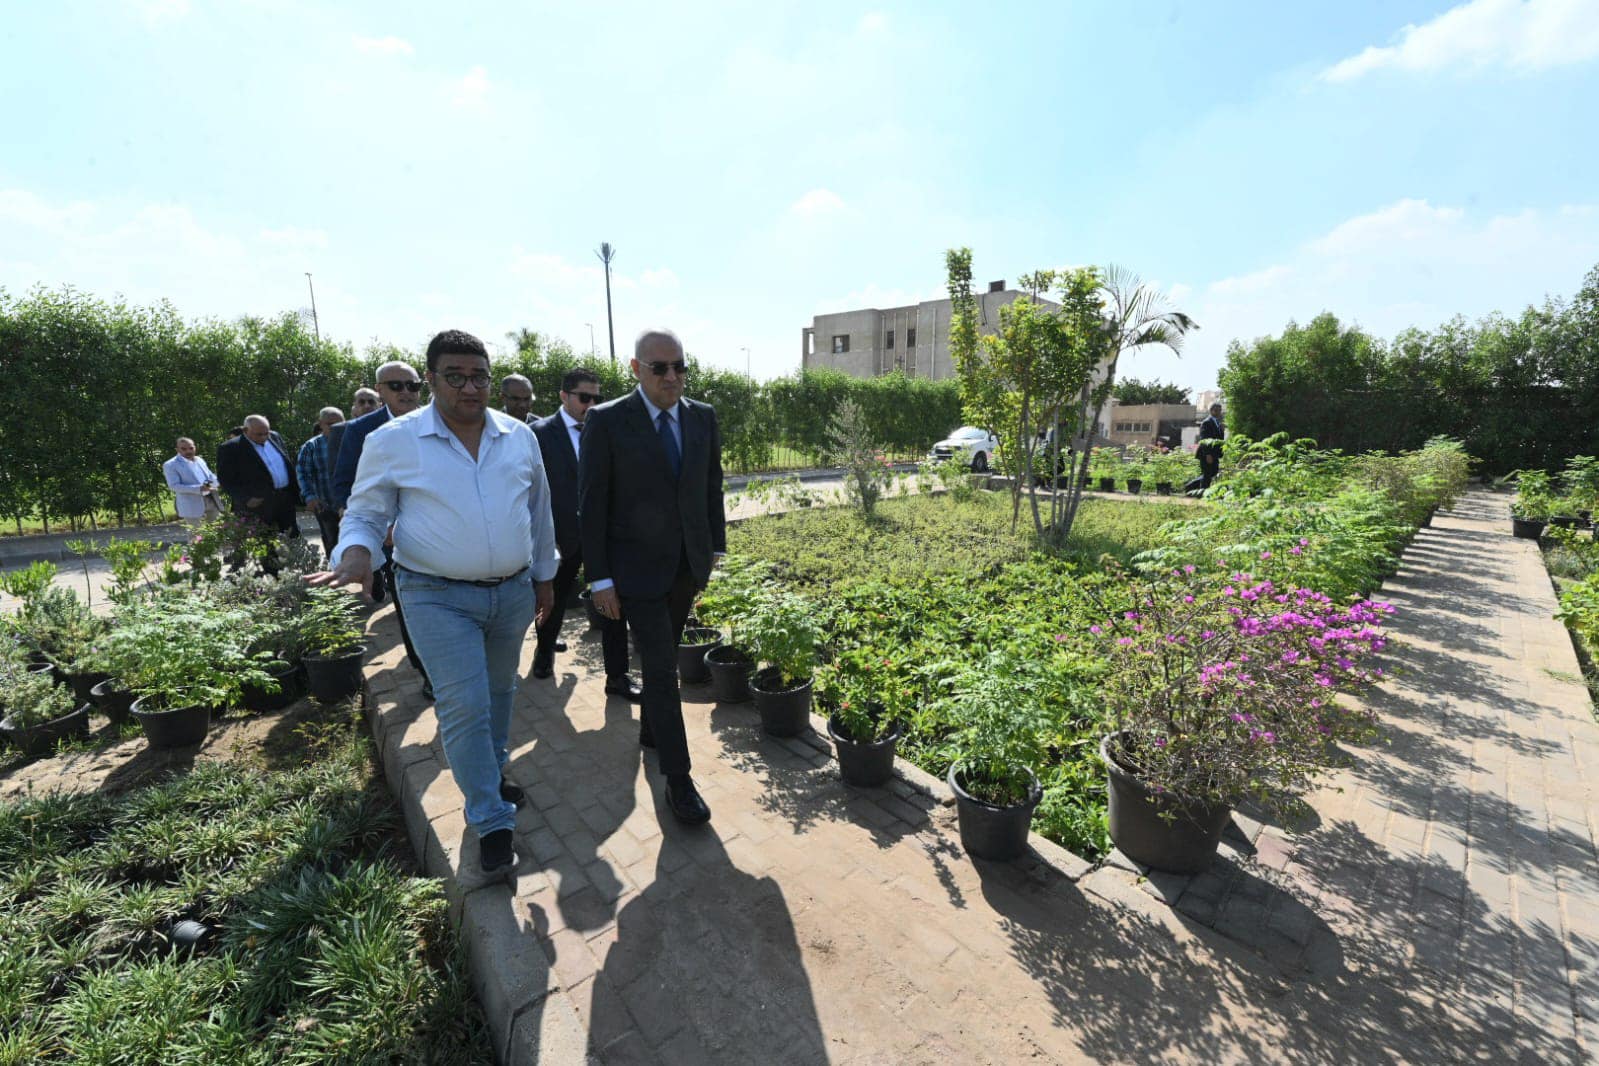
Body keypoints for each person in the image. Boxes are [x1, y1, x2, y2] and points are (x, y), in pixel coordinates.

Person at [309, 329, 558, 887]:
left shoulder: (518, 437)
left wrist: (545, 576)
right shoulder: (395, 441)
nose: (470, 387)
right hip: (435, 595)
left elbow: (539, 511)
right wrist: (356, 553)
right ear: (431, 379)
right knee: (465, 703)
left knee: (500, 691)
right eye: (456, 376)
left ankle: (489, 773)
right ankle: (490, 819)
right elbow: (366, 512)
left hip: (512, 592)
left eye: (479, 376)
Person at [580, 329, 726, 826]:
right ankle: (678, 780)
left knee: (664, 658)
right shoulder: (607, 420)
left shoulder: (702, 417)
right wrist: (600, 578)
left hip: (686, 566)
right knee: (663, 669)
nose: (671, 376)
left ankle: (651, 731)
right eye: (659, 367)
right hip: (634, 571)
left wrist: (715, 547)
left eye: (679, 366)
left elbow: (710, 486)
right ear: (636, 368)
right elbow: (592, 504)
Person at [530, 369, 638, 697]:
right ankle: (544, 652)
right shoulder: (539, 434)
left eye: (597, 398)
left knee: (611, 604)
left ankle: (616, 677)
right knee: (553, 598)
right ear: (564, 396)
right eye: (584, 397)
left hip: (604, 537)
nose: (591, 404)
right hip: (560, 536)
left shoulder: (607, 429)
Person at [216, 415, 299, 534]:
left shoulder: (275, 437)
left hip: (285, 500)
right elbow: (225, 479)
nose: (264, 437)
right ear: (245, 430)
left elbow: (286, 464)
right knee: (263, 541)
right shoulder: (230, 448)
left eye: (266, 433)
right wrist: (246, 498)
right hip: (258, 506)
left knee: (292, 537)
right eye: (259, 434)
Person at [297, 406, 344, 556]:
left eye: (339, 423)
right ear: (321, 424)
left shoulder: (353, 442)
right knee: (332, 543)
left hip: (352, 505)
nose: (336, 427)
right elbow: (303, 473)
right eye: (330, 424)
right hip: (326, 506)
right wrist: (310, 496)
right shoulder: (311, 446)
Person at [162, 437, 223, 527]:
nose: (188, 451)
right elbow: (174, 486)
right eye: (184, 449)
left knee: (217, 530)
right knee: (196, 533)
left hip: (211, 500)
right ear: (177, 450)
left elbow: (210, 476)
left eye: (191, 448)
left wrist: (214, 483)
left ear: (195, 447)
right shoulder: (170, 464)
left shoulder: (199, 460)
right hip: (191, 505)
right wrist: (199, 489)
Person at [327, 387, 381, 483]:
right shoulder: (340, 431)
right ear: (354, 406)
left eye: (371, 402)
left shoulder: (390, 428)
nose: (367, 406)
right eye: (361, 402)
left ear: (380, 405)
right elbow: (335, 471)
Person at [1196, 402, 1225, 490]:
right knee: (1207, 474)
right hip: (1207, 454)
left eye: (1220, 410)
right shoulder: (1206, 422)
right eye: (1216, 410)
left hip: (1215, 454)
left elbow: (1219, 440)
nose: (1219, 412)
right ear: (1211, 411)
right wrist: (1207, 454)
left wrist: (1222, 431)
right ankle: (1202, 493)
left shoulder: (1218, 423)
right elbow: (1204, 439)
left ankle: (1196, 487)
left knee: (1213, 472)